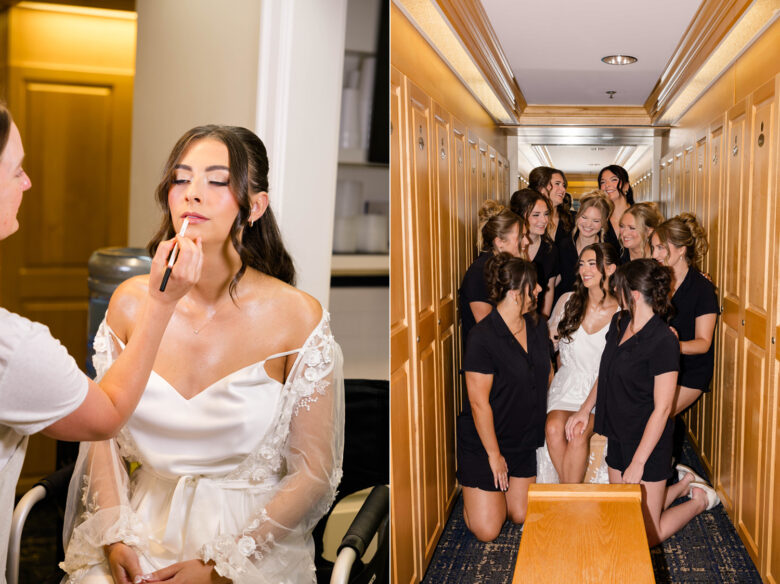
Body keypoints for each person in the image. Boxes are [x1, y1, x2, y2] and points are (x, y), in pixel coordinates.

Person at [60, 125, 344, 584]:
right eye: (181, 179)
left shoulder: (297, 317)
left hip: (250, 544)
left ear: (254, 207)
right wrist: (115, 536)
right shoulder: (131, 303)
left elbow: (313, 473)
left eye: (216, 181)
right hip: (139, 532)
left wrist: (221, 567)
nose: (193, 193)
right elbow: (101, 436)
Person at [0, 104, 202, 578]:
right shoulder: (14, 347)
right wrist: (161, 304)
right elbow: (105, 416)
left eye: (217, 182)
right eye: (16, 170)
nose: (28, 183)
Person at [594, 259, 719, 547]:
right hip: (619, 432)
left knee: (645, 536)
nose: (615, 292)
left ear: (635, 294)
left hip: (648, 441)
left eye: (619, 288)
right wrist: (582, 410)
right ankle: (682, 485)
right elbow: (605, 372)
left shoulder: (663, 341)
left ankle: (699, 500)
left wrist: (638, 462)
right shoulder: (620, 322)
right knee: (624, 515)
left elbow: (663, 409)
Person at [457, 253, 548, 542]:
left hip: (523, 440)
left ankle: (494, 498)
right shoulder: (482, 337)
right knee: (488, 530)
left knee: (521, 514)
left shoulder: (537, 325)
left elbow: (546, 375)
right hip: (486, 442)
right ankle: (473, 498)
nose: (539, 289)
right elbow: (478, 403)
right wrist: (494, 456)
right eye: (533, 285)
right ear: (514, 293)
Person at [540, 243, 620, 483]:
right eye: (582, 264)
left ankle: (568, 497)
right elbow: (549, 344)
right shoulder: (568, 301)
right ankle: (572, 495)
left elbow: (614, 366)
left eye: (592, 264)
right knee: (553, 428)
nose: (585, 270)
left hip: (603, 389)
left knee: (577, 431)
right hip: (568, 385)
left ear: (611, 269)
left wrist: (585, 410)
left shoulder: (622, 310)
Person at [650, 213, 718, 415]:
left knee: (656, 415)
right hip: (659, 364)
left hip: (690, 371)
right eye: (653, 248)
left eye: (660, 247)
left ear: (681, 250)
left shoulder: (702, 289)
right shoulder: (657, 280)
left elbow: (703, 343)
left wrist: (671, 346)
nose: (654, 254)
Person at [458, 200, 521, 344]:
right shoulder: (478, 273)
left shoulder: (502, 267)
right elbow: (488, 330)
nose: (526, 242)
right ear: (500, 242)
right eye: (519, 238)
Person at [553, 190, 614, 303]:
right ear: (577, 215)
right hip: (566, 304)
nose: (588, 224)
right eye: (584, 217)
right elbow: (554, 280)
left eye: (595, 220)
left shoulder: (608, 250)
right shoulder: (564, 245)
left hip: (597, 305)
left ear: (604, 222)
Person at [510, 188, 558, 317]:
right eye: (536, 215)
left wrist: (543, 321)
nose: (544, 220)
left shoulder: (550, 249)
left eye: (546, 214)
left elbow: (549, 289)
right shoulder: (510, 247)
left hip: (536, 318)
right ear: (520, 216)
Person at [528, 166, 573, 244]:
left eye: (563, 185)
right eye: (557, 184)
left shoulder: (573, 219)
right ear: (541, 187)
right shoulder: (528, 219)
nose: (563, 190)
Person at [598, 165, 634, 252]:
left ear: (626, 186)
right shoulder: (599, 219)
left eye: (614, 180)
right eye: (603, 182)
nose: (607, 185)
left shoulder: (640, 215)